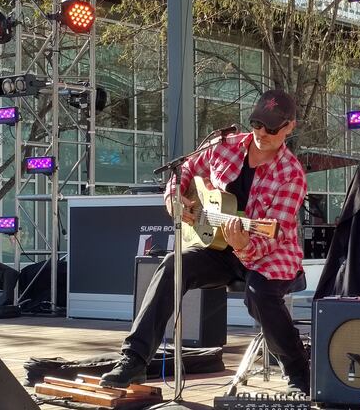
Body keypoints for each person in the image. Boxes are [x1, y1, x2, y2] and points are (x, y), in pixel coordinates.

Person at [100, 89, 310, 394]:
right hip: (217, 244)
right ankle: (134, 359)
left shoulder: (292, 175)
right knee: (173, 266)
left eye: (272, 128)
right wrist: (174, 198)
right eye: (257, 124)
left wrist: (243, 245)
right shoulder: (223, 146)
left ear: (290, 126)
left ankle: (299, 371)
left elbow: (269, 237)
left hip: (269, 252)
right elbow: (184, 172)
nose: (262, 133)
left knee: (260, 293)